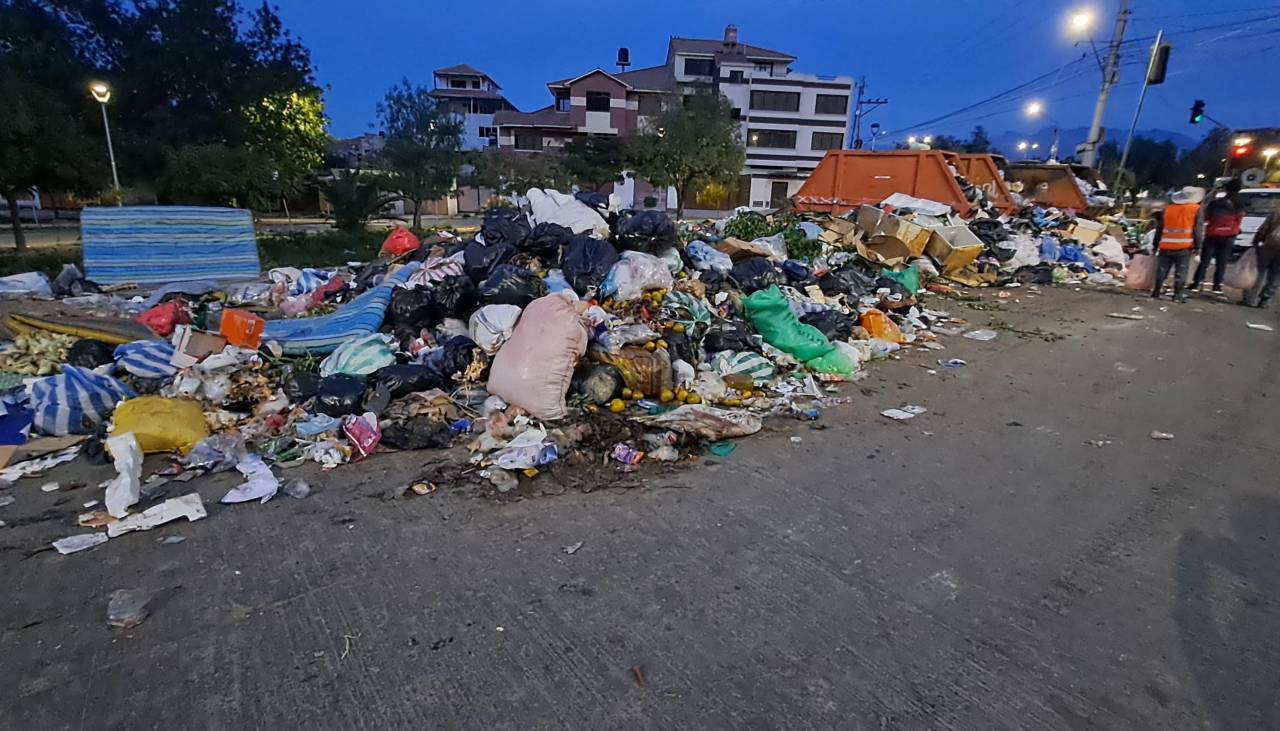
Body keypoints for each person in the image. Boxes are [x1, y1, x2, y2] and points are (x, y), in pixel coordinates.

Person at [1152, 186, 1205, 302]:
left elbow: (1159, 228)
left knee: (1162, 269)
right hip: (1184, 246)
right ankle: (1177, 295)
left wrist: (1155, 245)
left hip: (1166, 245)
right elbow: (1198, 229)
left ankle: (1156, 291)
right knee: (1181, 271)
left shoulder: (1168, 209)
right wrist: (1198, 246)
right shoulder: (1196, 209)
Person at [1193, 178, 1245, 294]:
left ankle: (1196, 283)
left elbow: (1206, 216)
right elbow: (1240, 218)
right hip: (1229, 236)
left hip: (1212, 234)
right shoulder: (1241, 202)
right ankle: (1217, 286)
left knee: (1205, 261)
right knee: (1222, 262)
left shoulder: (1216, 203)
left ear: (1226, 189)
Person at [1244, 210, 1280, 308]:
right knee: (1276, 274)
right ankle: (1265, 299)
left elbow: (1264, 228)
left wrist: (1257, 240)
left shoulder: (1277, 212)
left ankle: (1250, 299)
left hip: (1270, 245)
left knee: (1259, 270)